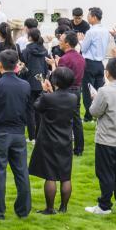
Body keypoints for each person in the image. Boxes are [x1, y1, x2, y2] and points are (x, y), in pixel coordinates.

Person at [0, 49, 33, 219]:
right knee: (21, 171)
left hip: (0, 134)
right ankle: (23, 209)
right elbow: (28, 109)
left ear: (0, 65)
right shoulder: (25, 85)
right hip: (18, 133)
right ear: (16, 65)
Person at [86, 57, 116, 215]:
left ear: (107, 73)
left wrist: (95, 99)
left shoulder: (105, 91)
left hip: (106, 139)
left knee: (105, 172)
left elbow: (94, 112)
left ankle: (104, 206)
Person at [29, 67, 80, 214]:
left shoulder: (48, 98)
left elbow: (37, 106)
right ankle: (63, 207)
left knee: (50, 176)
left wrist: (44, 92)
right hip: (66, 139)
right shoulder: (73, 98)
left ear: (55, 81)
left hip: (48, 139)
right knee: (65, 176)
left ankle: (50, 208)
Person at [80, 7, 110, 120]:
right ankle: (99, 113)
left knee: (88, 90)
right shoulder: (106, 31)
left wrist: (81, 40)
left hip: (89, 63)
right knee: (99, 90)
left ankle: (89, 115)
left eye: (89, 16)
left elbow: (83, 48)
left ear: (94, 17)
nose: (87, 18)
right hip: (100, 63)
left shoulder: (91, 31)